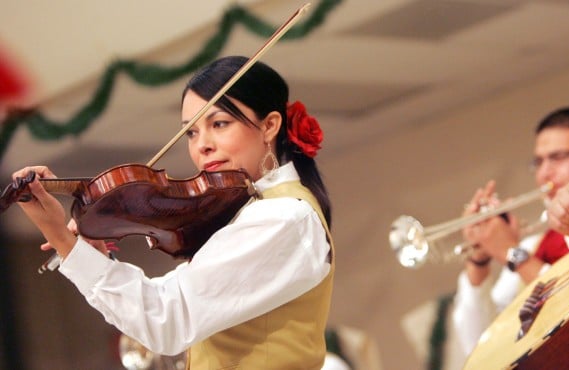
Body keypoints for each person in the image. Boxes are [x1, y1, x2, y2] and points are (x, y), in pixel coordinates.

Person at [11, 55, 335, 369]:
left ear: (269, 126)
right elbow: (167, 311)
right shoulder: (257, 210)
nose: (202, 145)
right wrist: (90, 255)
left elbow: (168, 318)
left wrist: (62, 240)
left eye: (219, 123)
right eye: (191, 131)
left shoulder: (283, 217)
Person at [451, 106, 569, 356]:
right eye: (538, 162)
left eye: (557, 157)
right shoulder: (532, 245)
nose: (544, 173)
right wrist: (479, 260)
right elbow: (479, 346)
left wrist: (511, 252)